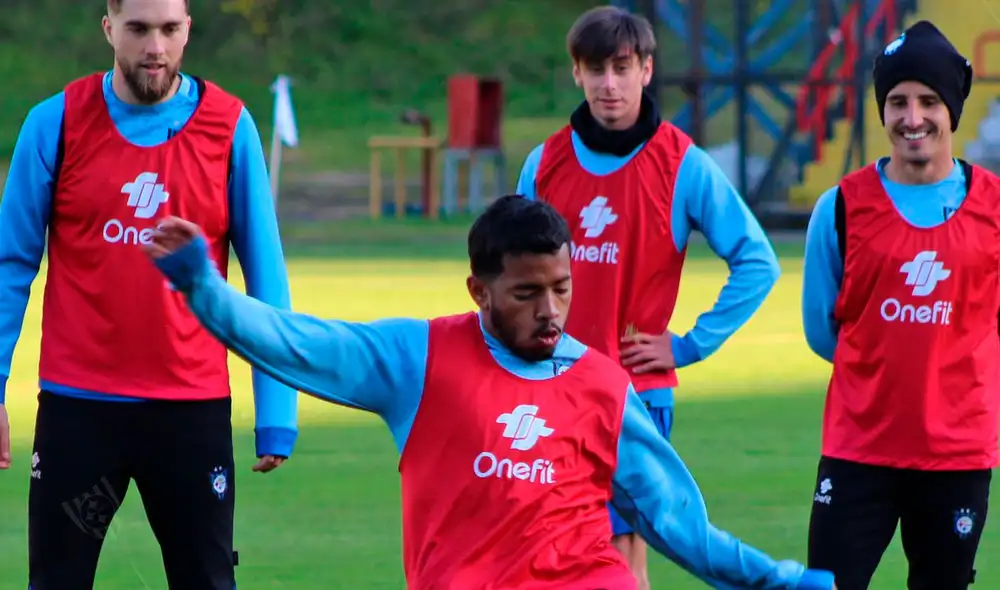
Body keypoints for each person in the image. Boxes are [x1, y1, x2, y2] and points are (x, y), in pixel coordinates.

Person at [142, 196, 836, 590]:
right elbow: (297, 343)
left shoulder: (601, 384)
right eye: (527, 293)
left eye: (562, 289)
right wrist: (204, 288)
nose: (551, 311)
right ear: (479, 290)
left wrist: (781, 581)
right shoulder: (418, 358)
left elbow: (677, 523)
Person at [0, 0, 298, 588]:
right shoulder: (55, 123)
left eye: (168, 29)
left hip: (190, 412)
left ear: (188, 29)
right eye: (138, 29)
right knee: (56, 579)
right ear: (109, 28)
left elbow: (265, 273)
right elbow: (10, 265)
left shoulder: (229, 126)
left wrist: (278, 414)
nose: (154, 48)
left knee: (206, 580)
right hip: (78, 412)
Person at [515, 6, 781, 585]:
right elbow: (505, 277)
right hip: (547, 391)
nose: (609, 83)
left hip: (632, 394)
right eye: (595, 69)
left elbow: (757, 261)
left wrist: (689, 345)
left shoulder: (682, 164)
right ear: (576, 74)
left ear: (646, 70)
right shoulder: (543, 165)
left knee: (620, 549)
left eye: (622, 66)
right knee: (544, 546)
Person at [802, 21, 995, 590]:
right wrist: (881, 378)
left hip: (957, 456)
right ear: (881, 110)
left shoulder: (994, 209)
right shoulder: (838, 207)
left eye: (929, 101)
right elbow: (821, 330)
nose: (913, 118)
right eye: (897, 102)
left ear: (953, 109)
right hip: (858, 449)